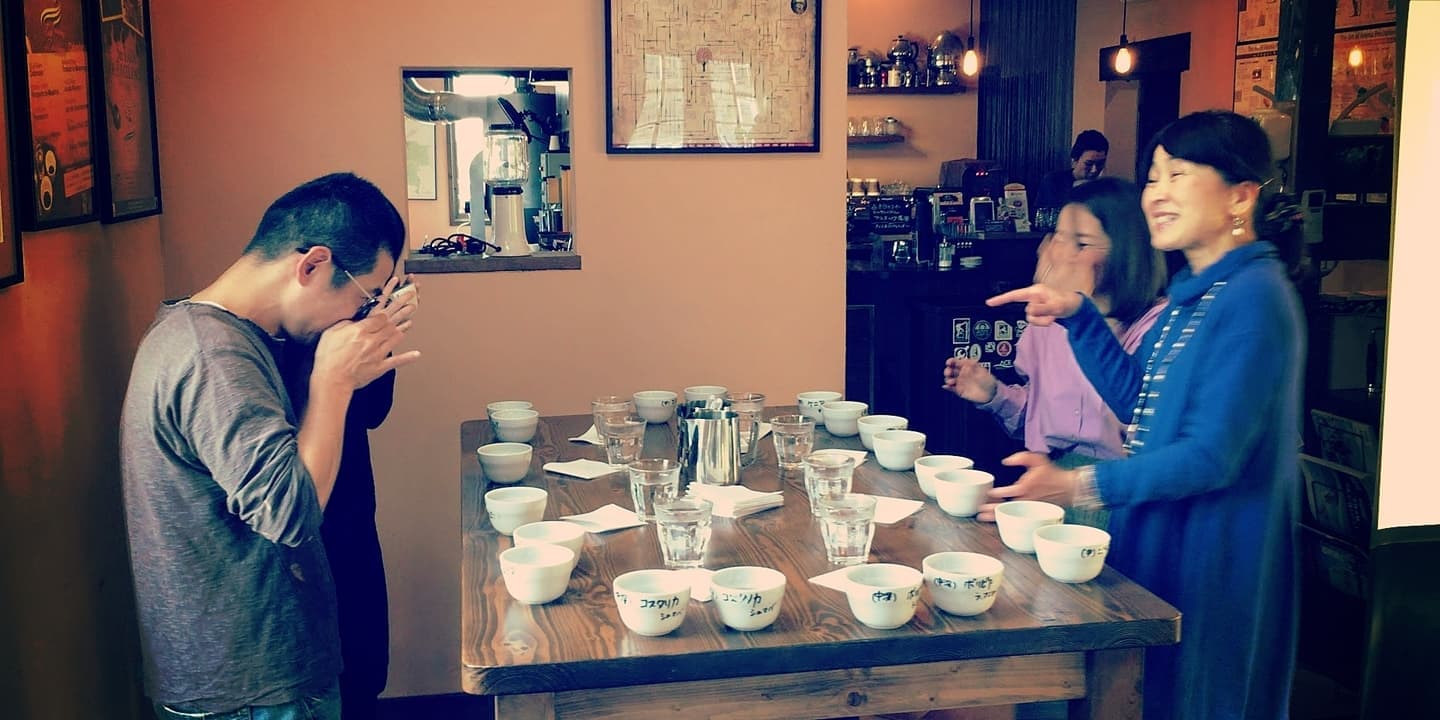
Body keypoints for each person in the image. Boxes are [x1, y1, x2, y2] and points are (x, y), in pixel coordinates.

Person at [985, 110, 1305, 719]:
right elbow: (1142, 405)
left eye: (1178, 176)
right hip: (1160, 530)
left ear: (1240, 197)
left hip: (1212, 547)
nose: (1156, 194)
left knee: (1192, 696)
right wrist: (1079, 315)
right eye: (1154, 177)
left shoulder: (1255, 297)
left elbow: (1210, 457)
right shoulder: (1193, 296)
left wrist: (1078, 484)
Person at [120, 172, 421, 720]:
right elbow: (291, 515)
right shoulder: (213, 359)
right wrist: (331, 381)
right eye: (365, 298)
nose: (362, 317)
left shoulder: (235, 340)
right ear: (312, 266)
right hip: (250, 690)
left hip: (257, 676)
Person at [943, 177, 1165, 527]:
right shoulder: (1045, 325)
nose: (1060, 253)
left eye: (1081, 243)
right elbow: (1038, 417)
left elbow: (1150, 424)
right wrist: (994, 394)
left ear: (1127, 252)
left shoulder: (1158, 326)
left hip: (1120, 494)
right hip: (1048, 481)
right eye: (1059, 237)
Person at [282, 280, 416, 720]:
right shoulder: (264, 338)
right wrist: (331, 372)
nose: (378, 296)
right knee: (327, 674)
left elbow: (373, 410)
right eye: (373, 286)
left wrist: (376, 330)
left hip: (353, 504)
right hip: (299, 529)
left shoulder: (353, 322)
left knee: (364, 664)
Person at [1033, 129, 1109, 214]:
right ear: (1075, 159)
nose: (1094, 170)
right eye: (1088, 164)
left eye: (1100, 163)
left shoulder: (1105, 189)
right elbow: (1042, 216)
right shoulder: (1053, 181)